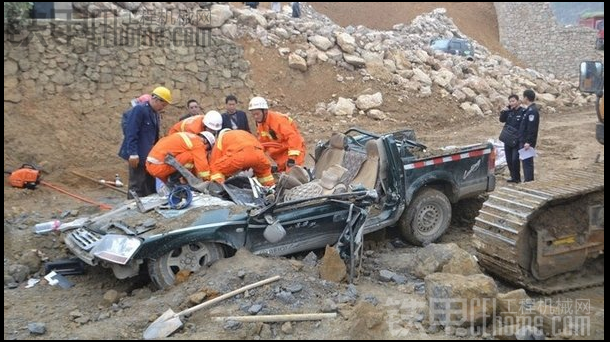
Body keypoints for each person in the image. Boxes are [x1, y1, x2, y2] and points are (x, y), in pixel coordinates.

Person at [119, 86, 172, 198]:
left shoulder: (154, 113)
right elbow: (131, 132)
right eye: (162, 105)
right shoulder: (140, 110)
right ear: (156, 99)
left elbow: (154, 135)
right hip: (138, 155)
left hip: (148, 155)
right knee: (137, 184)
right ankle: (132, 207)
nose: (162, 108)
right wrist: (133, 153)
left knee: (149, 184)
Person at [248, 96, 306, 172]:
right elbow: (263, 144)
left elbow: (293, 138)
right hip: (281, 156)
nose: (255, 117)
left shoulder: (278, 120)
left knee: (293, 176)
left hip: (294, 152)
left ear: (265, 111)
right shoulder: (261, 125)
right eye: (253, 115)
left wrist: (292, 158)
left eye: (257, 114)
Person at [209, 129, 275, 186]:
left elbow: (215, 160)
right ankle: (270, 189)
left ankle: (218, 189)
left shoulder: (221, 138)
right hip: (259, 155)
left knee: (216, 168)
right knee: (265, 173)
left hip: (240, 156)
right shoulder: (244, 134)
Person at [146, 131, 215, 184]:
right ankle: (174, 180)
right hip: (159, 167)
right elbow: (202, 165)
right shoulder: (198, 143)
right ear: (206, 142)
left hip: (151, 165)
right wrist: (207, 180)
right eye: (207, 149)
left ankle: (174, 180)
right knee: (191, 156)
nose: (205, 151)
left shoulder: (187, 136)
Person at [499, 94, 525, 183]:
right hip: (508, 139)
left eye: (513, 101)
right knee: (509, 159)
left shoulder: (523, 112)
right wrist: (504, 111)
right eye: (510, 101)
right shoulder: (509, 112)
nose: (512, 103)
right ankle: (513, 177)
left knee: (515, 159)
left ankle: (517, 178)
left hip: (517, 140)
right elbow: (501, 120)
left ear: (518, 101)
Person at [518, 89, 540, 182]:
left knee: (527, 162)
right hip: (524, 139)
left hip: (527, 141)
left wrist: (528, 142)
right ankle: (527, 178)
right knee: (525, 161)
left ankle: (529, 180)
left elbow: (532, 129)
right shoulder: (529, 109)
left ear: (526, 98)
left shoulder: (532, 111)